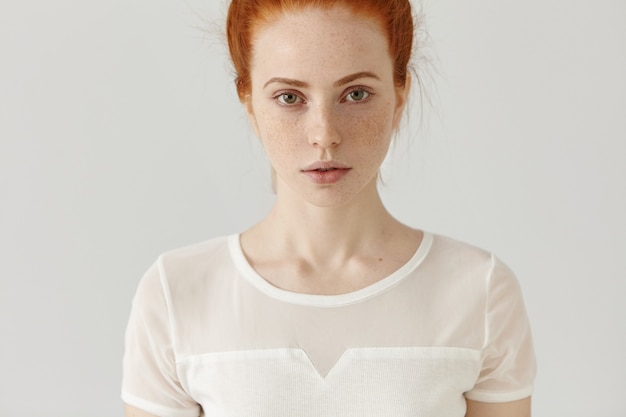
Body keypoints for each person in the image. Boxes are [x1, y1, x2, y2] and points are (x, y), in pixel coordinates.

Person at [122, 0, 536, 416]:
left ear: (399, 96)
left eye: (356, 94)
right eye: (289, 97)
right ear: (249, 103)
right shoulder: (177, 294)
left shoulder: (478, 292)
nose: (324, 134)